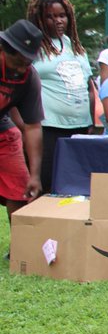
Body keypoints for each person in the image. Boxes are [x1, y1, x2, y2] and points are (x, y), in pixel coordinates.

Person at [26, 0, 95, 193]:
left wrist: (90, 120)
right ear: (39, 18)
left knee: (75, 185)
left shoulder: (75, 46)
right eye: (50, 16)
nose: (57, 21)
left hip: (80, 127)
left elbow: (89, 86)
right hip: (48, 127)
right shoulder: (33, 46)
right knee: (47, 182)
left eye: (62, 15)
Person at [0, 20, 45, 221]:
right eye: (17, 62)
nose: (20, 69)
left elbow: (33, 126)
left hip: (2, 129)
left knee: (21, 189)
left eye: (26, 63)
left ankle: (21, 245)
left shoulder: (29, 78)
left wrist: (34, 175)